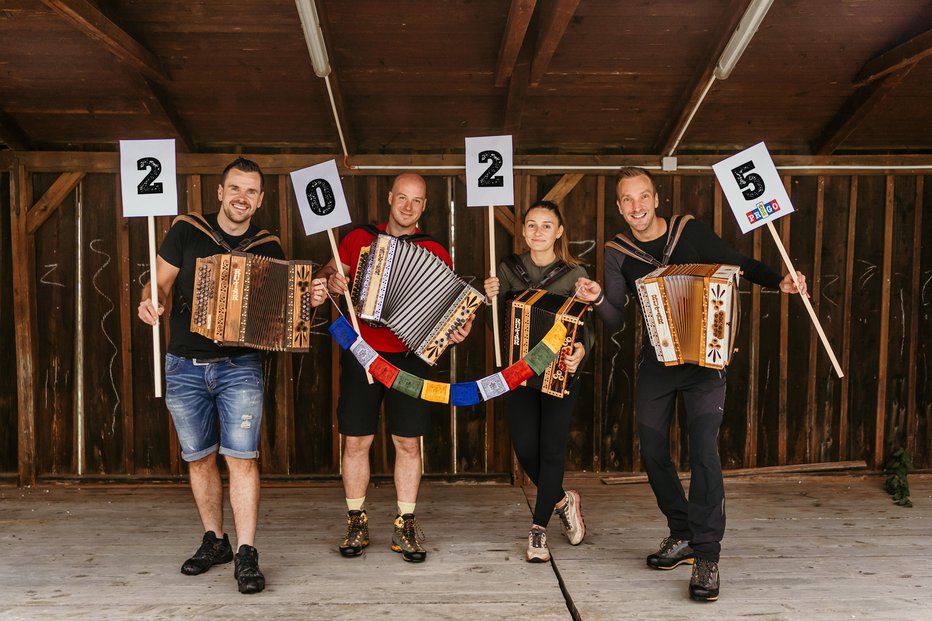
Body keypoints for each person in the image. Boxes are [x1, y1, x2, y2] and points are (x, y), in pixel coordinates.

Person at [575, 167, 807, 602]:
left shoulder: (689, 231)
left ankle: (706, 554)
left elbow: (739, 262)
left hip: (705, 361)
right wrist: (597, 299)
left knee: (703, 451)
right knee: (653, 448)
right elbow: (616, 317)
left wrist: (781, 282)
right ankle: (681, 533)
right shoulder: (617, 252)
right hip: (658, 361)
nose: (636, 207)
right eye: (627, 200)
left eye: (643, 196)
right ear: (618, 206)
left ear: (656, 197)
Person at [137, 157, 327, 594]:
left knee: (241, 457)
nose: (242, 198)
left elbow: (288, 311)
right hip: (183, 364)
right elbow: (159, 283)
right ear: (220, 192)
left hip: (240, 366)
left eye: (251, 192)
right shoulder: (187, 229)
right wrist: (150, 300)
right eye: (235, 189)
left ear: (260, 200)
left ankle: (246, 552)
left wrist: (311, 296)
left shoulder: (268, 245)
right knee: (199, 456)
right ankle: (214, 541)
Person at [320, 173, 473, 563]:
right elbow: (321, 281)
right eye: (402, 197)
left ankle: (405, 522)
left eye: (416, 201)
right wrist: (332, 282)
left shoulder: (435, 250)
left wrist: (458, 330)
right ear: (390, 198)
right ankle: (356, 519)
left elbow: (449, 313)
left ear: (424, 206)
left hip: (410, 359)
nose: (407, 206)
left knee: (407, 442)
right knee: (356, 441)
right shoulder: (357, 239)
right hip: (362, 353)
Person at [483, 200, 591, 563]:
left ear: (559, 231)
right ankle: (563, 500)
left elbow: (584, 331)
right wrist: (491, 301)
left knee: (551, 449)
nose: (538, 232)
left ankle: (539, 529)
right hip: (520, 373)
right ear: (523, 230)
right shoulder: (509, 270)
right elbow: (494, 329)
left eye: (547, 226)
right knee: (526, 448)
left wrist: (581, 351)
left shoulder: (576, 275)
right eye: (531, 225)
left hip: (559, 372)